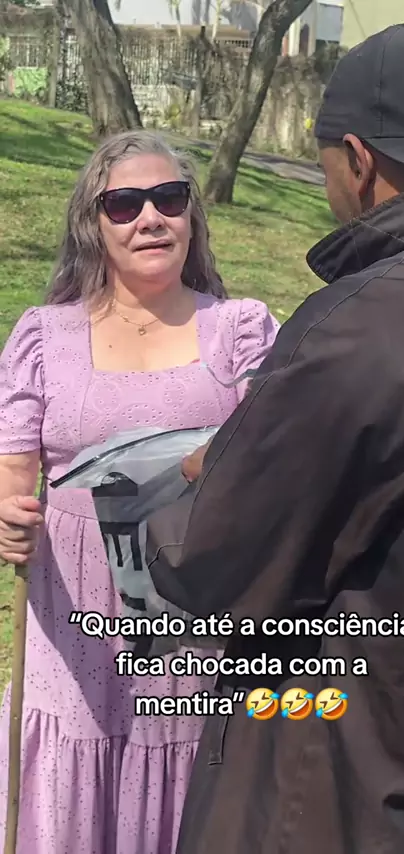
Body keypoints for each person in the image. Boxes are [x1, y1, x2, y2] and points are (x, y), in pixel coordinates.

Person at [147, 25, 404, 854]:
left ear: (358, 161)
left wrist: (204, 476)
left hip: (336, 791)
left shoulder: (363, 325)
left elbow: (208, 562)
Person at [0, 129, 279, 854]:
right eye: (124, 204)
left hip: (193, 625)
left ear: (192, 215)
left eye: (169, 198)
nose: (150, 217)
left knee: (183, 779)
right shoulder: (43, 337)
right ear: (93, 225)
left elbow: (279, 461)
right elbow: (12, 475)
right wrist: (9, 516)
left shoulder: (241, 332)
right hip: (73, 628)